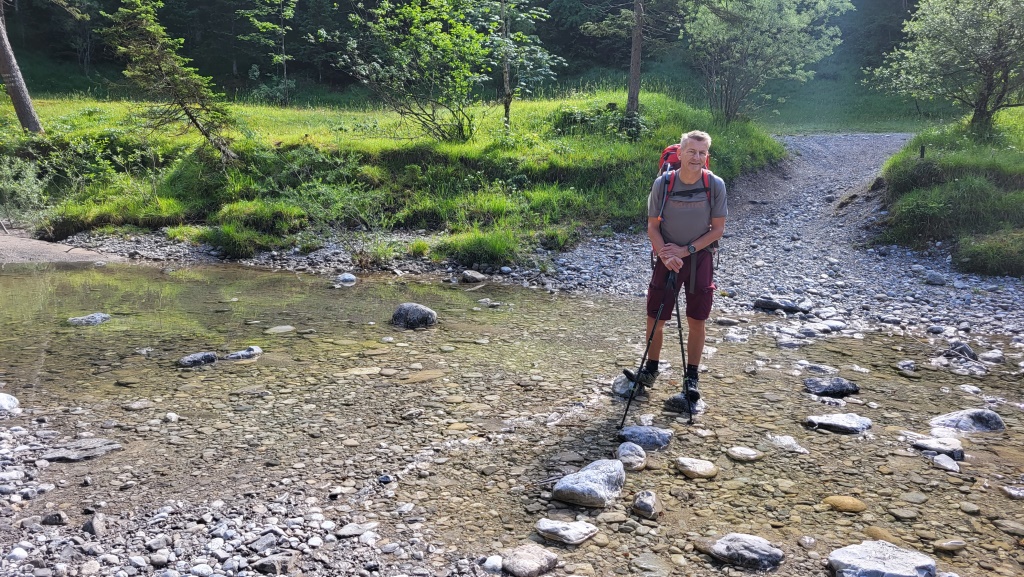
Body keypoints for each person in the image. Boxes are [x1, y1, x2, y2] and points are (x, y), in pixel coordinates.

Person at [632, 130, 727, 412]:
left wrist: (685, 251)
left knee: (697, 319)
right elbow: (652, 226)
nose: (696, 157)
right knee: (655, 317)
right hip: (666, 258)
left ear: (707, 155)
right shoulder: (663, 183)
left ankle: (691, 379)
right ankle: (650, 370)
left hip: (700, 259)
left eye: (702, 153)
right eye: (691, 151)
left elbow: (717, 230)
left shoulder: (714, 185)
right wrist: (665, 254)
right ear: (680, 153)